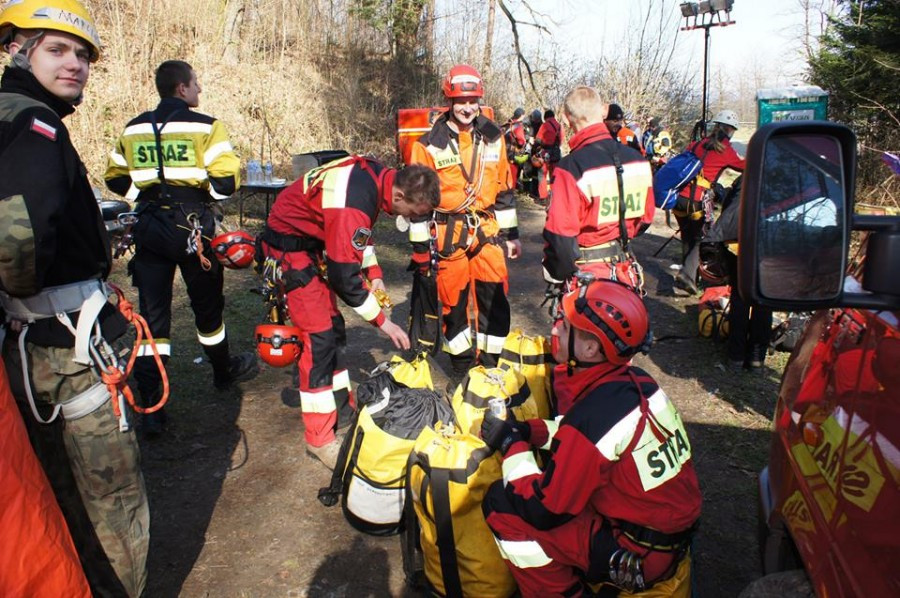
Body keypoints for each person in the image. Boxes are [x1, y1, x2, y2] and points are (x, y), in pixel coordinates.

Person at [0, 1, 149, 595]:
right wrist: (34, 295)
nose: (76, 65)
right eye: (57, 50)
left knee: (54, 484)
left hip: (28, 339)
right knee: (112, 494)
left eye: (83, 55)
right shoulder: (33, 126)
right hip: (66, 342)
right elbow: (19, 241)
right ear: (19, 49)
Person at [480, 279, 701, 597]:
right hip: (664, 542)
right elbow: (588, 440)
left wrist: (509, 443)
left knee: (502, 503)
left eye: (566, 328)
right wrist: (529, 431)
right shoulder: (637, 383)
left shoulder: (595, 414)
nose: (555, 332)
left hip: (636, 558)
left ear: (591, 348)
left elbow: (544, 509)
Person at [105, 60, 257, 436]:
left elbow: (114, 177)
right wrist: (204, 195)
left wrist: (145, 194)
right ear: (181, 88)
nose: (199, 90)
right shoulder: (205, 126)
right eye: (196, 84)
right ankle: (222, 371)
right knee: (207, 305)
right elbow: (226, 178)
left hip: (149, 226)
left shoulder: (134, 126)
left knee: (153, 316)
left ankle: (153, 405)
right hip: (193, 225)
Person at [259, 158, 440, 469]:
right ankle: (320, 440)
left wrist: (374, 271)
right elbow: (346, 280)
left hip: (311, 243)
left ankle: (341, 408)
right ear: (399, 196)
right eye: (413, 214)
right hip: (290, 250)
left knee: (333, 327)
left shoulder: (377, 176)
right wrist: (384, 324)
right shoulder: (355, 200)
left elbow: (358, 235)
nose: (410, 221)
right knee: (318, 340)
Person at [409, 64, 521, 377]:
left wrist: (512, 236)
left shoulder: (494, 138)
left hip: (486, 229)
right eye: (461, 102)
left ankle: (490, 366)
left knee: (495, 300)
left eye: (473, 101)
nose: (468, 108)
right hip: (447, 233)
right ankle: (460, 367)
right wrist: (421, 254)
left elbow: (505, 189)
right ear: (449, 101)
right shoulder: (427, 144)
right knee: (452, 303)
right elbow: (418, 206)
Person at [543, 86, 654, 292]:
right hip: (625, 272)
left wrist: (558, 274)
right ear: (604, 110)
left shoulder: (571, 167)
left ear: (567, 119)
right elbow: (646, 219)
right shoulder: (639, 161)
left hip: (588, 278)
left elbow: (561, 237)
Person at [673, 109, 745, 295]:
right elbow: (743, 167)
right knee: (702, 239)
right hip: (697, 201)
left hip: (679, 199)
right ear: (731, 130)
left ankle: (688, 279)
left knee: (688, 237)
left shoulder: (697, 144)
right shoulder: (726, 151)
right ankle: (687, 276)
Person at [533, 108, 563, 204]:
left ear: (545, 117)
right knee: (554, 175)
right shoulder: (559, 126)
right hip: (556, 152)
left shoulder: (544, 125)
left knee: (542, 175)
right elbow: (561, 140)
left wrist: (535, 150)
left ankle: (543, 198)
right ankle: (554, 197)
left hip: (545, 152)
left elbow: (538, 140)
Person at [502, 106, 528, 192]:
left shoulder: (507, 124)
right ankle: (510, 193)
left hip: (503, 151)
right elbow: (521, 141)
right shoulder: (518, 126)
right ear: (521, 116)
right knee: (512, 173)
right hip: (512, 153)